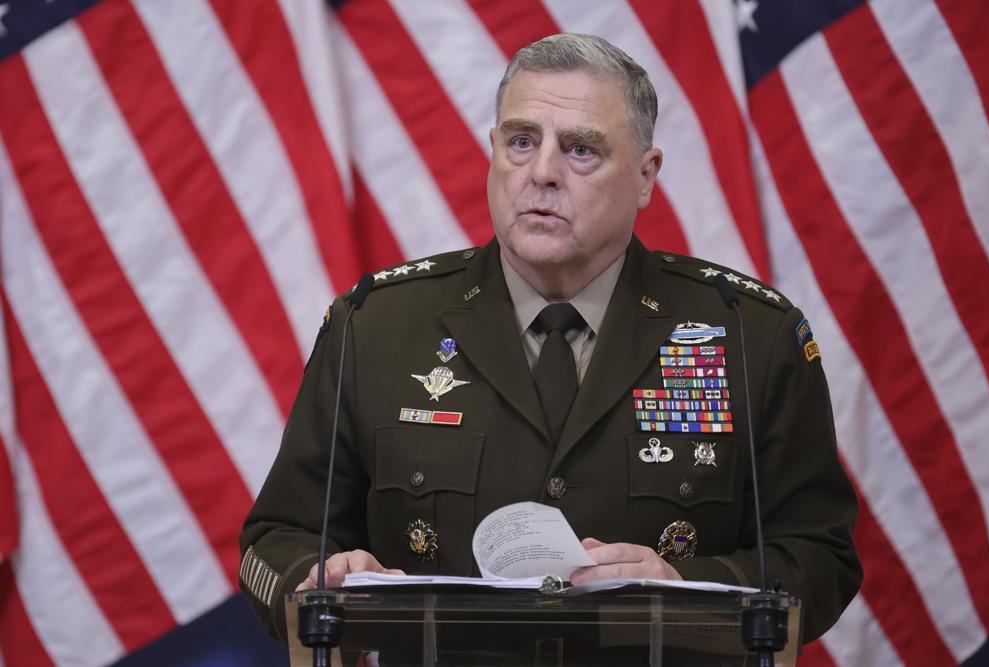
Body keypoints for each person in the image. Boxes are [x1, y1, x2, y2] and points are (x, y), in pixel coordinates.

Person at [239, 33, 861, 647]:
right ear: (492, 152)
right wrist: (316, 578)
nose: (542, 173)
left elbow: (821, 556)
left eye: (581, 150)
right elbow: (273, 542)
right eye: (520, 142)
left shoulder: (749, 335)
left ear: (646, 177)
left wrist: (687, 585)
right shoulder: (373, 325)